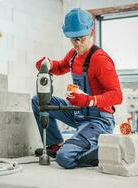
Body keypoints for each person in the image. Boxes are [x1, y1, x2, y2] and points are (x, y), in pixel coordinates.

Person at [32, 8, 123, 169]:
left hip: (99, 120)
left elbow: (117, 96)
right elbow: (60, 67)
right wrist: (49, 64)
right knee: (38, 100)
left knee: (65, 158)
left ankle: (106, 150)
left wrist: (89, 100)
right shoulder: (73, 55)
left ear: (91, 32)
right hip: (78, 112)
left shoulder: (101, 60)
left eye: (81, 38)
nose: (77, 43)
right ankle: (55, 144)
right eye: (73, 39)